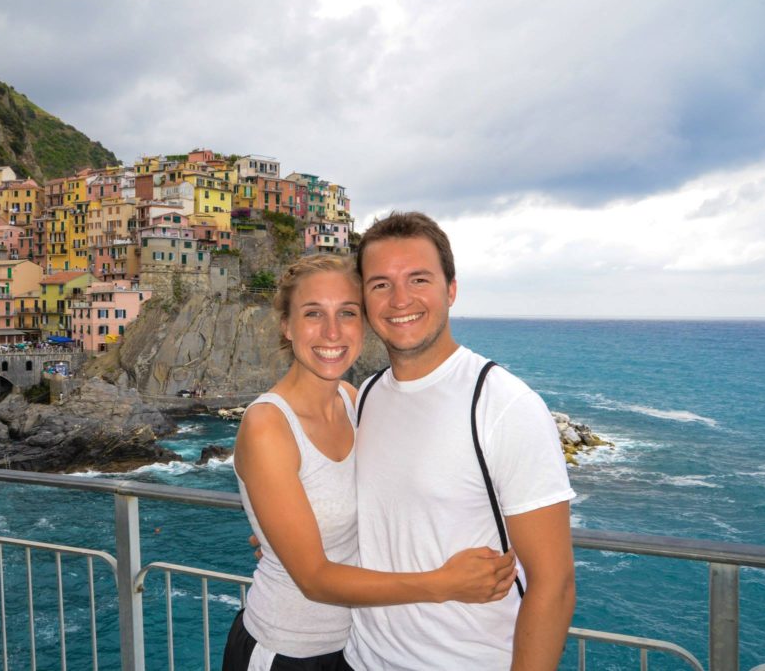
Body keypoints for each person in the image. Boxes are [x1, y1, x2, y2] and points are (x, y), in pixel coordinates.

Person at [224, 254, 519, 671]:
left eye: (347, 313)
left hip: (359, 648)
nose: (332, 331)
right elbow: (314, 578)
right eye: (313, 314)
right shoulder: (268, 426)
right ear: (286, 326)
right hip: (288, 651)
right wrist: (444, 584)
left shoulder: (352, 399)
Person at [344, 212, 576, 670]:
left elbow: (555, 583)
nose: (400, 299)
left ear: (451, 289)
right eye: (381, 284)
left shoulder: (503, 404)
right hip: (361, 660)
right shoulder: (366, 396)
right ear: (366, 300)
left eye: (419, 279)